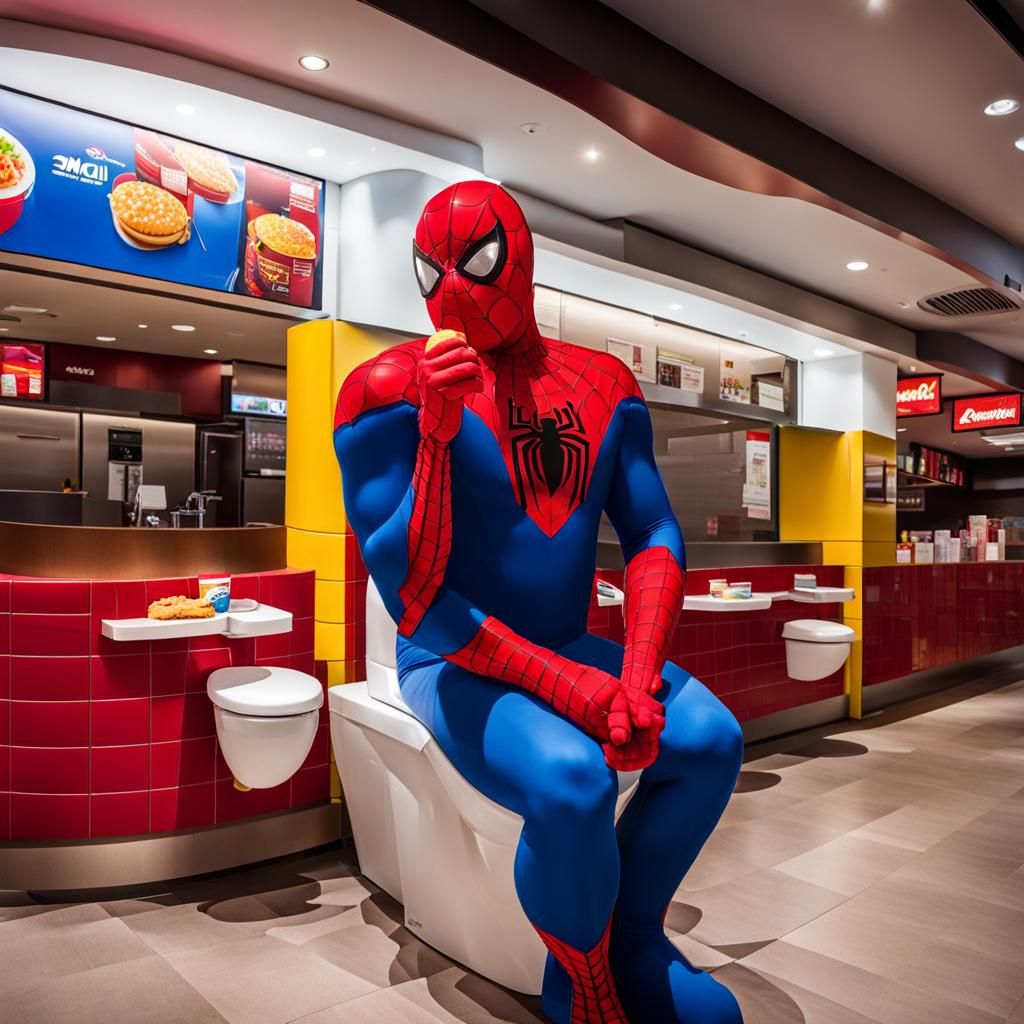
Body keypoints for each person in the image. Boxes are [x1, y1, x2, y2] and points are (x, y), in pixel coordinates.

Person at [333, 181, 743, 1024]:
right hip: (447, 659)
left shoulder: (604, 384)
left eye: (475, 263)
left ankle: (630, 935)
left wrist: (632, 674)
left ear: (518, 258)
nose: (454, 290)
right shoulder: (384, 390)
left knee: (709, 740)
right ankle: (582, 983)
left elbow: (655, 530)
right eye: (432, 270)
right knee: (571, 782)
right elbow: (411, 594)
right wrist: (437, 437)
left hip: (563, 641)